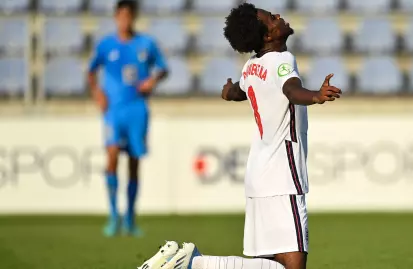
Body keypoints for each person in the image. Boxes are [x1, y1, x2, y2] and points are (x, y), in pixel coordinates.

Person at [138, 2, 341, 269]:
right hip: (283, 177)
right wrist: (315, 96)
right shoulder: (283, 60)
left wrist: (229, 92)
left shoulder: (250, 67)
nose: (278, 16)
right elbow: (291, 90)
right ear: (268, 36)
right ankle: (194, 264)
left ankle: (189, 263)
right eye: (271, 18)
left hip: (258, 177)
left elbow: (241, 91)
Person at [87, 0, 168, 237]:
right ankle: (114, 216)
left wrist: (152, 80)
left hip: (137, 109)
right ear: (116, 17)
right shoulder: (106, 45)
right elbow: (91, 71)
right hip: (113, 110)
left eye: (128, 15)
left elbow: (163, 68)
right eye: (121, 15)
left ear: (133, 17)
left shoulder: (145, 44)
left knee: (134, 162)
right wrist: (97, 93)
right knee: (111, 157)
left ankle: (130, 218)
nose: (125, 19)